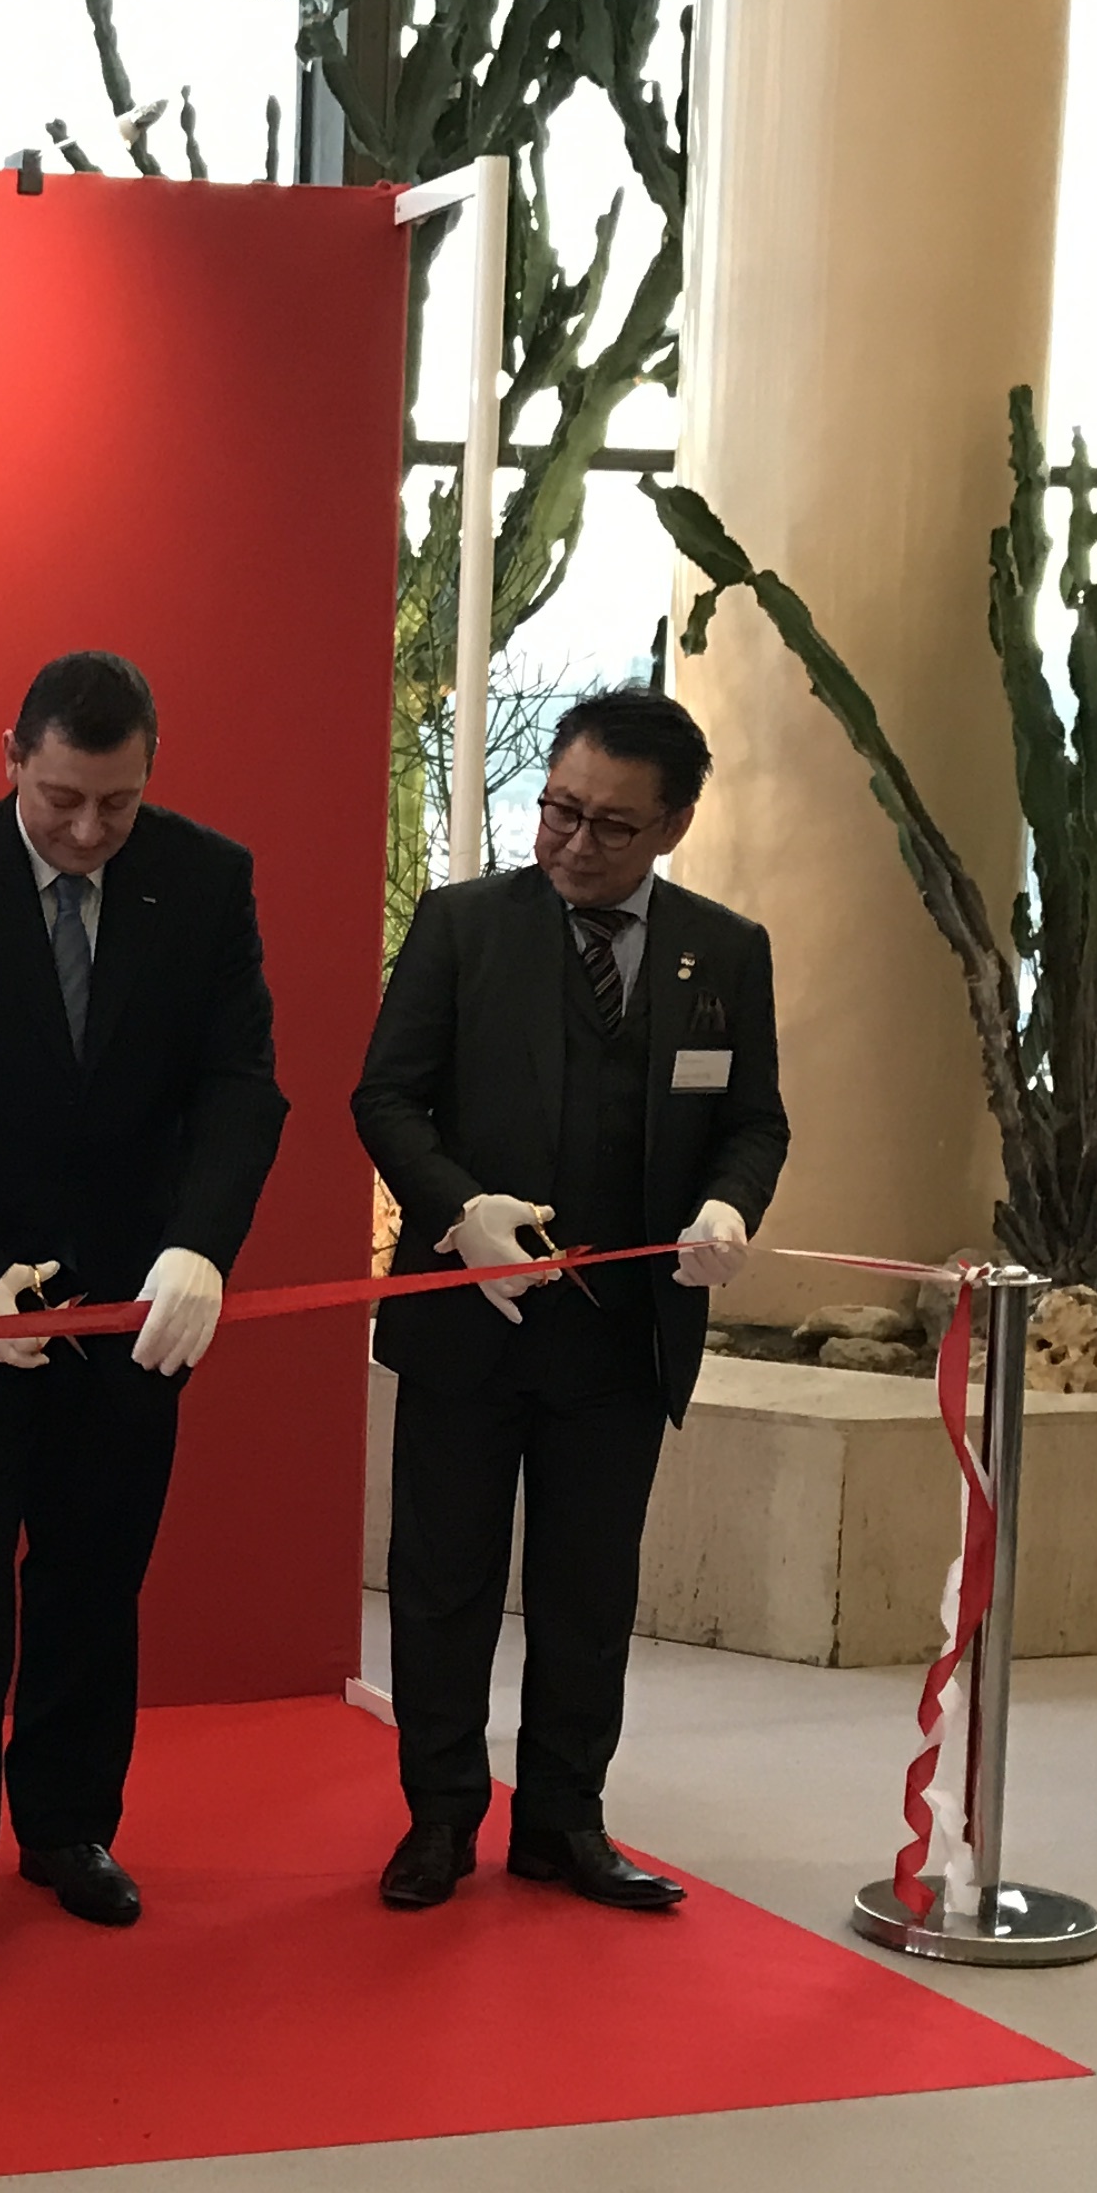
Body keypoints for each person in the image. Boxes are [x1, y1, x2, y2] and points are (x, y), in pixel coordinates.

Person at [0, 651, 286, 2001]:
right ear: (12, 759)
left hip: (135, 1312)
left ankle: (71, 1826)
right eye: (63, 799)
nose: (90, 831)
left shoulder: (205, 880)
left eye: (118, 804)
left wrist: (200, 1245)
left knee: (95, 1584)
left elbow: (240, 1086)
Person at [353, 685, 784, 1913]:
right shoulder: (462, 926)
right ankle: (440, 1820)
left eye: (611, 825)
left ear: (673, 825)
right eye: (559, 810)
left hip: (621, 1336)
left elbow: (752, 1121)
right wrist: (459, 1211)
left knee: (589, 1592)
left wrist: (727, 1208)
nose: (575, 843)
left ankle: (562, 1821)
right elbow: (385, 1097)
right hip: (470, 1326)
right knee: (445, 1583)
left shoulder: (723, 951)